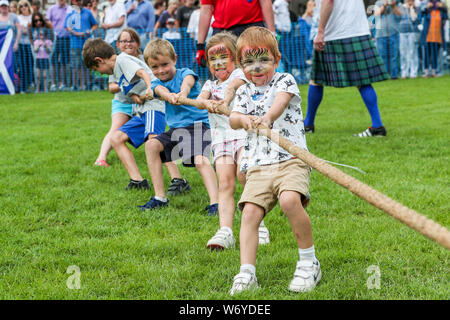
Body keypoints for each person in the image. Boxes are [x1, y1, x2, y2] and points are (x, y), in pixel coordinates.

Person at [228, 26, 318, 295]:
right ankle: (246, 272)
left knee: (290, 200)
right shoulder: (243, 91)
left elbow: (280, 103)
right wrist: (244, 120)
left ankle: (308, 263)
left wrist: (267, 118)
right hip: (258, 164)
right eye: (249, 62)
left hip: (291, 158)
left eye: (263, 60)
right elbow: (233, 119)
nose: (256, 68)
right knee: (250, 214)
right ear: (241, 66)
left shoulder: (285, 80)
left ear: (276, 59)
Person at [83, 37, 187, 194]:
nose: (100, 73)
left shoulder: (122, 60)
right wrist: (136, 97)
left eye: (96, 69)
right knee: (116, 138)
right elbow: (132, 88)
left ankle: (178, 180)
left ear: (99, 60)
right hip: (143, 108)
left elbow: (143, 73)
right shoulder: (117, 71)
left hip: (154, 105)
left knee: (154, 141)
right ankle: (138, 181)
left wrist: (150, 87)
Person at [195, 32, 270, 249]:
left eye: (223, 58)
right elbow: (199, 100)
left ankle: (259, 225)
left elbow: (233, 87)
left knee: (244, 175)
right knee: (225, 183)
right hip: (221, 140)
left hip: (243, 135)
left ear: (235, 58)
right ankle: (225, 231)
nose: (218, 64)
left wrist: (225, 100)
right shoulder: (209, 85)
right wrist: (204, 103)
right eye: (213, 60)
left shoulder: (241, 74)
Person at [143, 38, 219, 214]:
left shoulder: (186, 73)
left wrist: (182, 94)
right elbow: (159, 90)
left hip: (199, 126)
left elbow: (187, 83)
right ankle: (160, 197)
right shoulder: (156, 84)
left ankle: (216, 203)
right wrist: (169, 96)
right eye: (155, 67)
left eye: (165, 64)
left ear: (174, 59)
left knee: (201, 161)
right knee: (152, 145)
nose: (161, 70)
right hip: (177, 131)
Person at [304, 0, 389, 138]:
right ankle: (377, 126)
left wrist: (320, 31)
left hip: (334, 32)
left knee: (316, 79)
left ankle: (308, 124)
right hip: (358, 29)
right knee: (363, 80)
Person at [93, 27, 139, 168]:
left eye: (131, 40)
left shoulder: (145, 59)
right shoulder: (116, 62)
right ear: (118, 44)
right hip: (123, 102)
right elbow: (112, 87)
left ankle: (160, 155)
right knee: (115, 130)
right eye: (123, 41)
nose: (127, 44)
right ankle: (101, 159)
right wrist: (127, 84)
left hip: (142, 103)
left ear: (138, 43)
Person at [196, 0, 276, 66]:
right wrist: (200, 46)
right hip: (222, 32)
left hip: (251, 28)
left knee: (256, 68)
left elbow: (265, 2)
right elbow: (206, 9)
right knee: (221, 71)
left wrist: (272, 34)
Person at [65, 0, 98, 91]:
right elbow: (67, 26)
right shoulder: (70, 13)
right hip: (74, 44)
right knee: (75, 65)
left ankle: (86, 85)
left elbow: (95, 25)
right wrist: (73, 32)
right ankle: (75, 85)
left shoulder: (87, 12)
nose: (79, 2)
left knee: (86, 65)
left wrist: (89, 31)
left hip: (87, 44)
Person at [46, 0, 72, 91]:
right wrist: (52, 29)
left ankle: (63, 83)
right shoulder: (51, 9)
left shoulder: (70, 9)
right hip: (55, 39)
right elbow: (47, 21)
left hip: (67, 38)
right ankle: (53, 83)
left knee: (65, 61)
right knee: (53, 61)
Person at [374, 0, 402, 79]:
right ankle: (384, 76)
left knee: (394, 56)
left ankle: (394, 75)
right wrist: (385, 5)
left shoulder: (396, 2)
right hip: (380, 34)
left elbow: (400, 15)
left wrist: (393, 6)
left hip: (394, 33)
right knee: (382, 56)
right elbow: (376, 14)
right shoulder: (378, 2)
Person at [421, 0, 448, 77]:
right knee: (427, 55)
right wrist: (427, 8)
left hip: (437, 37)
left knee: (435, 55)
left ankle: (434, 72)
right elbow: (421, 14)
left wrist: (442, 7)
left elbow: (446, 17)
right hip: (428, 36)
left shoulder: (441, 12)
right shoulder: (428, 11)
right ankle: (426, 72)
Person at [31, 12, 52, 93]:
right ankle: (37, 89)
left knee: (45, 75)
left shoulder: (48, 41)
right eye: (40, 35)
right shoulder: (36, 41)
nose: (41, 36)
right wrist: (38, 46)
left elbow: (49, 51)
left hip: (45, 59)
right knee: (38, 75)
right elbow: (35, 50)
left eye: (43, 35)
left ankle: (46, 89)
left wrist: (46, 45)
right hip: (39, 59)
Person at [17, 0, 34, 93]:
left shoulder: (33, 17)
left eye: (25, 5)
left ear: (28, 6)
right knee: (22, 66)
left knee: (30, 66)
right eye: (21, 6)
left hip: (31, 45)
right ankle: (23, 87)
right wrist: (21, 30)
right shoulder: (18, 17)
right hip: (21, 44)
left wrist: (28, 29)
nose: (23, 7)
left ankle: (30, 85)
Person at [399, 0, 420, 78]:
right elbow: (398, 17)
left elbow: (414, 18)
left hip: (412, 32)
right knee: (403, 53)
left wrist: (411, 8)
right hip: (402, 32)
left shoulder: (416, 8)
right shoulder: (401, 7)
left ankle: (413, 73)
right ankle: (404, 73)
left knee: (412, 52)